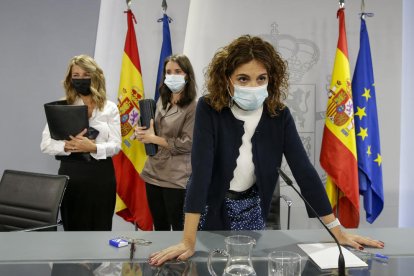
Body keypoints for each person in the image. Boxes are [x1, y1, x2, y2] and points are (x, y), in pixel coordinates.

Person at [148, 35, 384, 265]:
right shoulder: (209, 109)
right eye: (243, 79)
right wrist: (188, 241)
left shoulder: (279, 115)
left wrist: (337, 230)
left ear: (271, 79)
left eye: (261, 78)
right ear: (227, 79)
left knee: (247, 266)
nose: (253, 86)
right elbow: (201, 173)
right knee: (208, 265)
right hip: (208, 205)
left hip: (250, 206)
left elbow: (304, 172)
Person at [40, 54, 121, 231]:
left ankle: (99, 260)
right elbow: (45, 144)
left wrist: (93, 147)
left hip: (101, 176)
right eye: (75, 75)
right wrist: (67, 146)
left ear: (95, 76)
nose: (80, 79)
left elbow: (116, 145)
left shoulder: (109, 107)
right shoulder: (63, 106)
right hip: (72, 175)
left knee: (100, 227)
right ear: (70, 79)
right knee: (73, 228)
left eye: (85, 74)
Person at [135, 54, 197, 231]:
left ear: (187, 75)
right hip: (153, 172)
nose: (172, 75)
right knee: (160, 227)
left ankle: (179, 260)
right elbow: (152, 129)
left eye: (178, 71)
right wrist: (140, 132)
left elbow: (188, 143)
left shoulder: (194, 106)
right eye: (168, 72)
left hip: (176, 177)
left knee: (178, 228)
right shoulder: (161, 101)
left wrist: (154, 139)